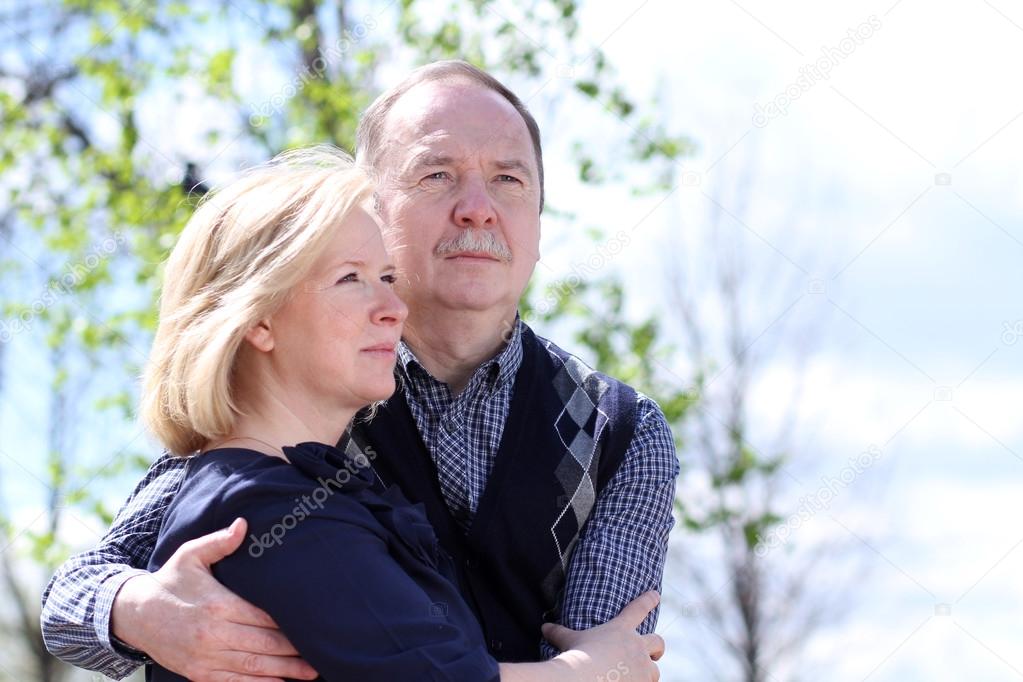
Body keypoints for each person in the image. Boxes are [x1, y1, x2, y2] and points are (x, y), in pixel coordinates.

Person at [41, 61, 680, 680]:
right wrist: (139, 612)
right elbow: (71, 598)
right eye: (437, 175)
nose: (478, 208)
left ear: (539, 222)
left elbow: (613, 659)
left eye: (509, 179)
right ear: (372, 209)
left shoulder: (621, 430)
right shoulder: (305, 381)